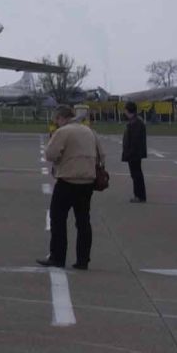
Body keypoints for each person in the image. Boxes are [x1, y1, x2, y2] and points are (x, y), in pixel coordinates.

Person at [39, 105, 105, 270]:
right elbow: (101, 154)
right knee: (83, 221)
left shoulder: (63, 132)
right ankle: (83, 259)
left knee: (58, 219)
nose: (56, 123)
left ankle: (58, 256)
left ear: (62, 118)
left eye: (57, 120)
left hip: (67, 180)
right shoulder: (89, 131)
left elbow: (50, 154)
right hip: (88, 181)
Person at [122, 103, 148, 204]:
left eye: (125, 110)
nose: (124, 112)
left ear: (128, 111)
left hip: (134, 154)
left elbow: (134, 141)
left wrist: (129, 153)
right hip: (134, 153)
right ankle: (139, 195)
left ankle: (139, 196)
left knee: (136, 175)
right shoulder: (135, 121)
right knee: (136, 175)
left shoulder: (136, 123)